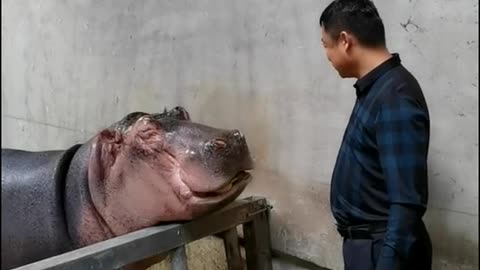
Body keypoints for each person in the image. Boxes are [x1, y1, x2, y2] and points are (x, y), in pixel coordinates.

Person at [318, 0, 432, 269]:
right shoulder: (377, 87)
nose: (327, 56)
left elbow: (406, 205)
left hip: (382, 251)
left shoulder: (395, 96)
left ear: (345, 41)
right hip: (367, 246)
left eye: (326, 45)